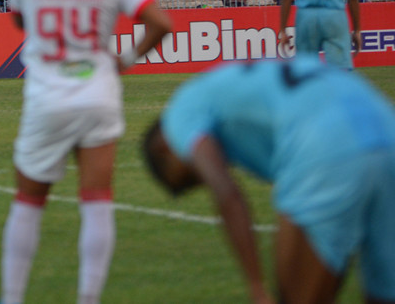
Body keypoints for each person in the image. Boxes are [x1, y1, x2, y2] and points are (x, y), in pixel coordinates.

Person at [1, 0, 171, 304]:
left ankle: (11, 298)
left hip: (47, 96)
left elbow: (20, 20)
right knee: (96, 200)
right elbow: (161, 23)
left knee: (28, 200)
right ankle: (89, 298)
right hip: (97, 93)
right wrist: (126, 59)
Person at [143, 56, 395, 304]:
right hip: (385, 125)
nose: (198, 182)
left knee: (296, 295)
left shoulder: (179, 115)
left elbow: (226, 193)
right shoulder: (217, 84)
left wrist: (257, 288)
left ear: (165, 148)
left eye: (188, 180)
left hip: (326, 144)